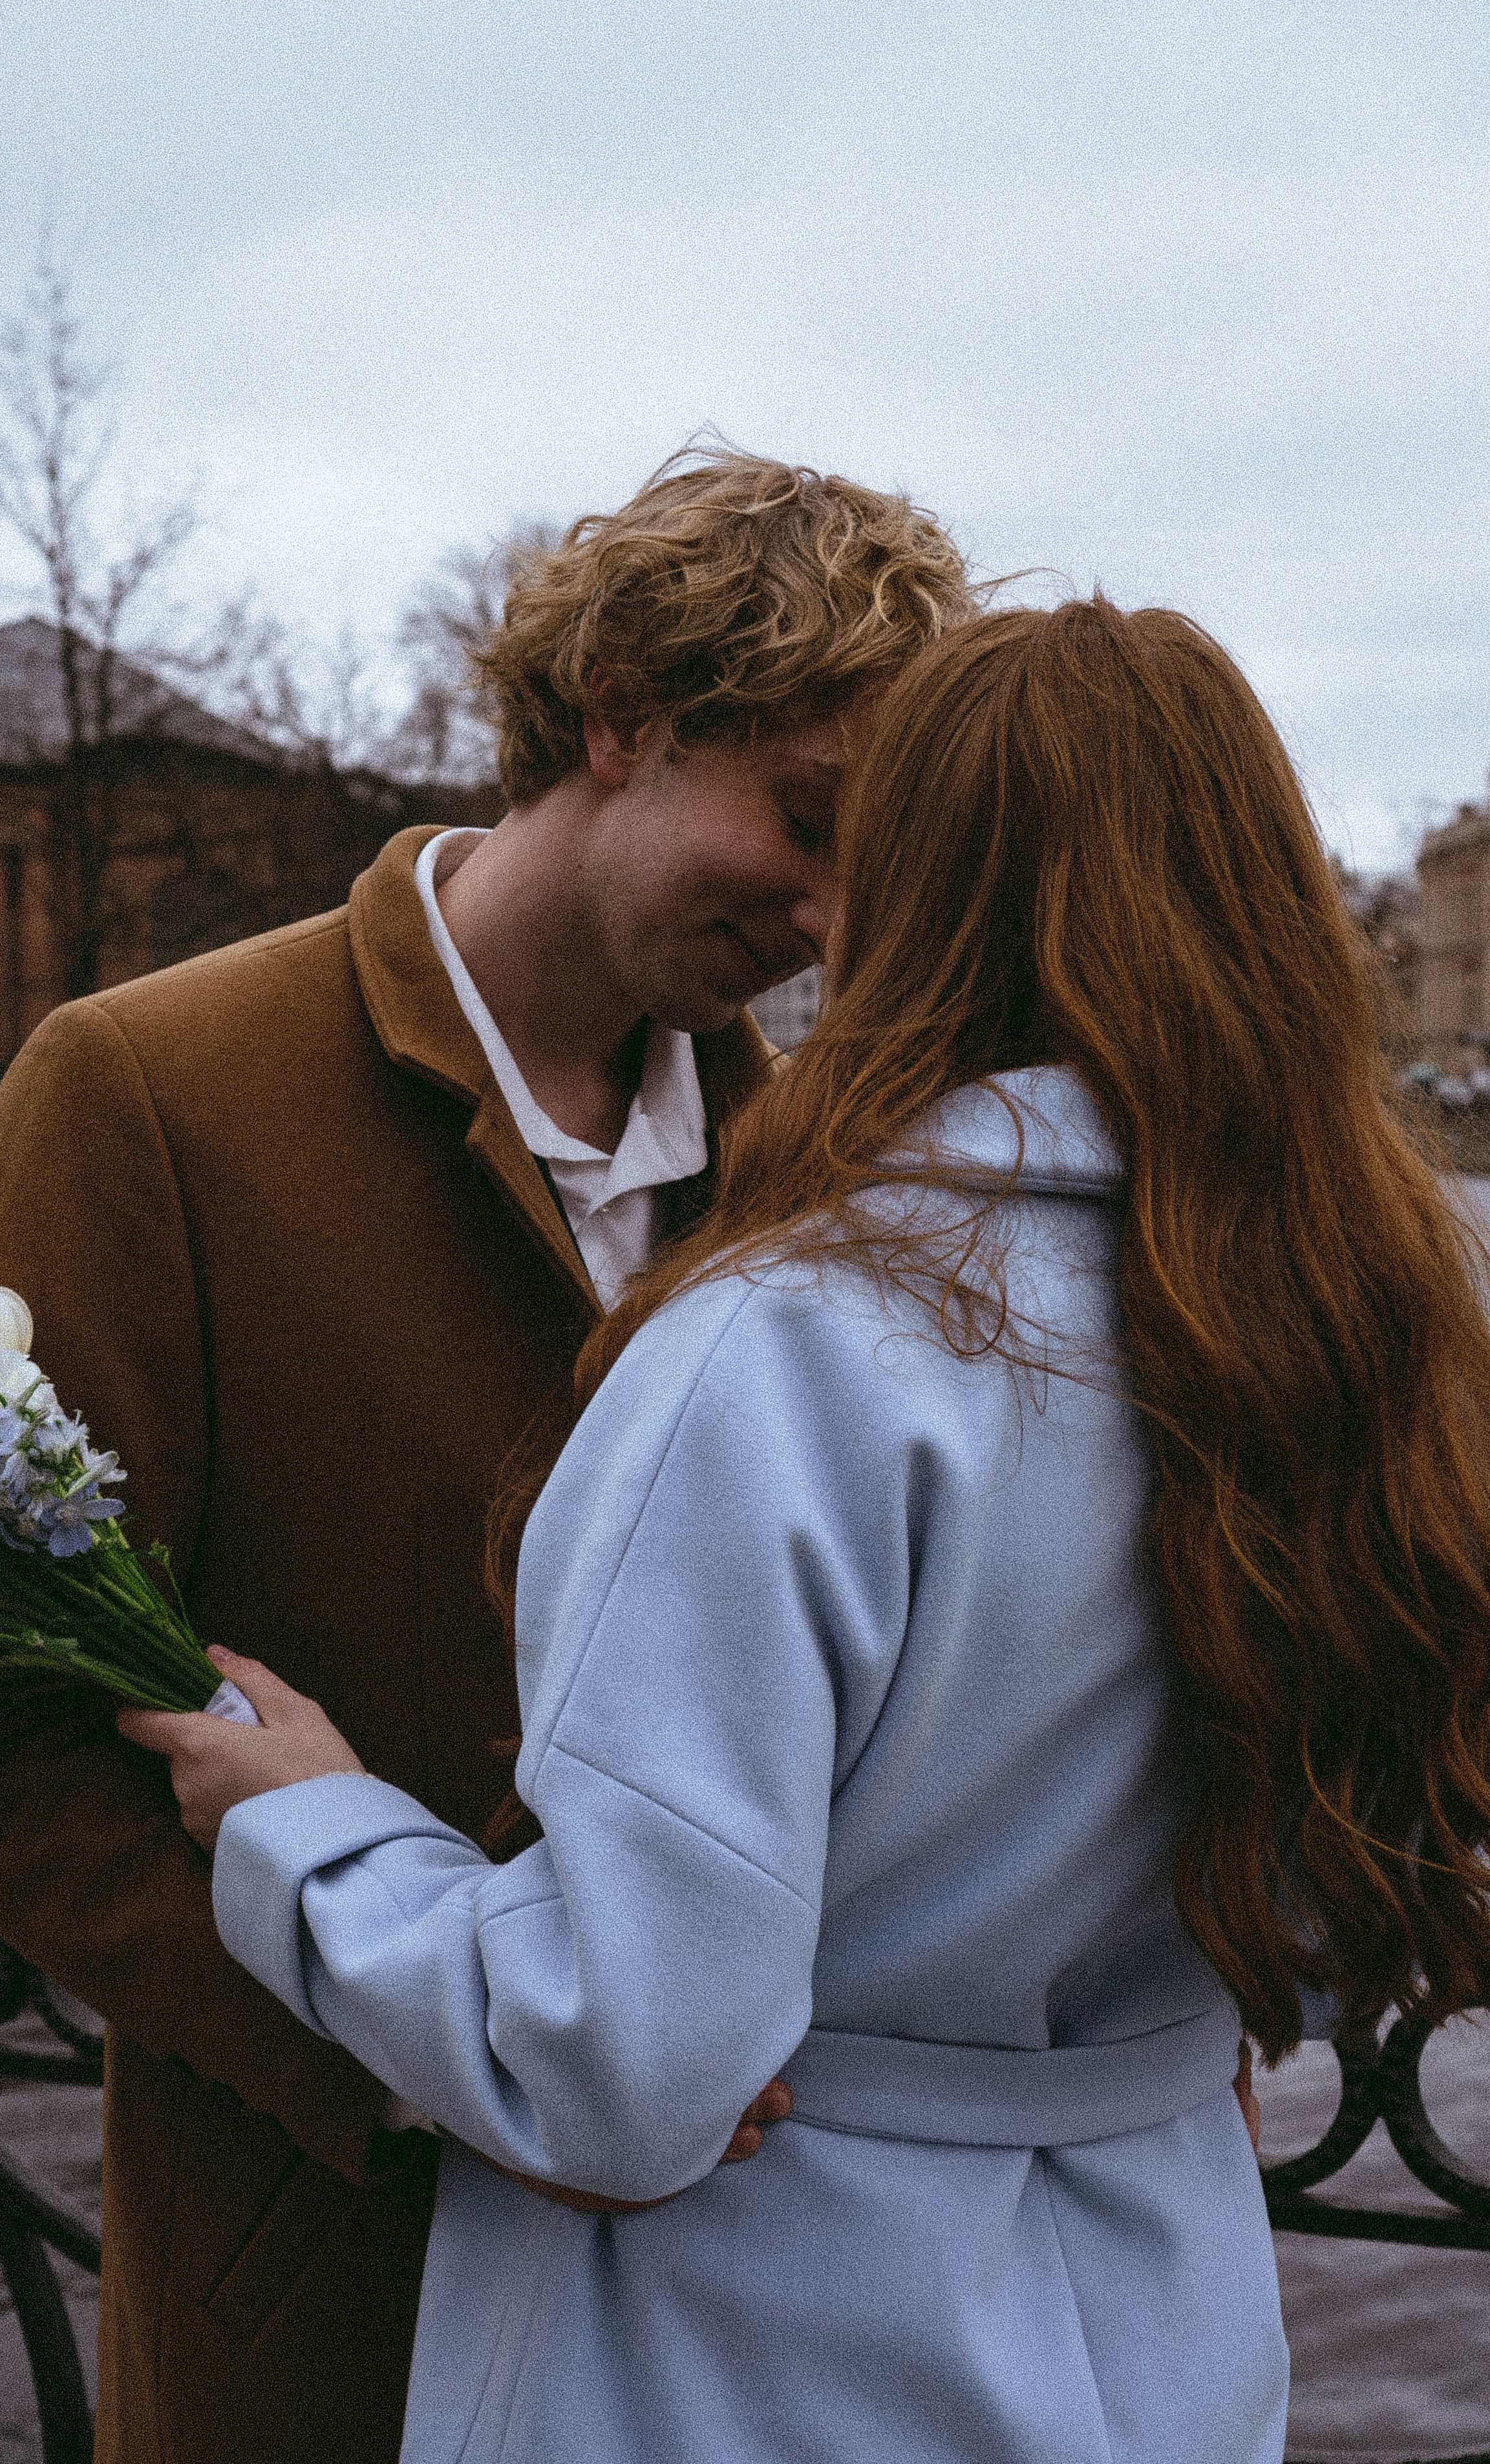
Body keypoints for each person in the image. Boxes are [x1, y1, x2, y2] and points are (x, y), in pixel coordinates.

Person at [127, 598, 1490, 2463]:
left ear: (910, 898)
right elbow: (1348, 1926)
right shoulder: (1373, 1331)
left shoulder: (787, 1345)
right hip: (1165, 2320)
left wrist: (311, 1831)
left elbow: (623, 2063)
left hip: (751, 2343)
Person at [0, 451, 973, 2464]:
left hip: (763, 2288)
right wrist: (427, 2057)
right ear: (623, 712)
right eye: (805, 822)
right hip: (334, 2281)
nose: (823, 922)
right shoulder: (143, 1087)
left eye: (867, 870)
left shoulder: (829, 1170)